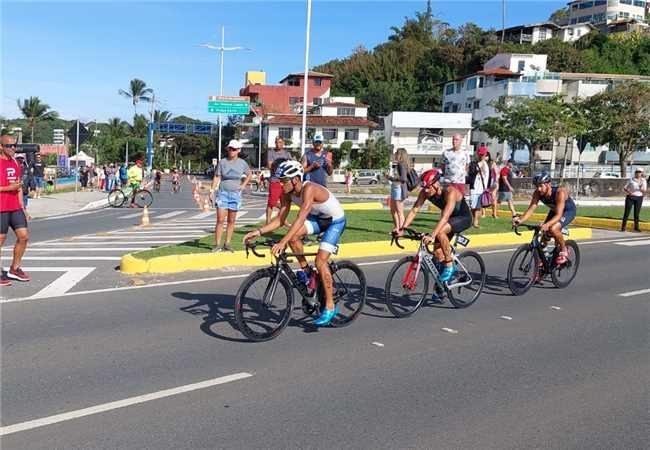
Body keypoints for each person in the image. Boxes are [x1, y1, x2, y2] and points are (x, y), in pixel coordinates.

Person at [243, 160, 346, 326]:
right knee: (293, 238)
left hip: (335, 221)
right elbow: (280, 220)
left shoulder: (309, 189)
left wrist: (282, 242)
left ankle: (329, 306)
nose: (280, 184)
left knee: (320, 261)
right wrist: (258, 231)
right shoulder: (287, 193)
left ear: (295, 180)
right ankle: (308, 272)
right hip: (319, 219)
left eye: (283, 181)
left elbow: (301, 218)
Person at [396, 168, 472, 283]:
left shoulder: (450, 192)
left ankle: (449, 266)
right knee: (437, 253)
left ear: (436, 184)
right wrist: (402, 229)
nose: (426, 190)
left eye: (428, 187)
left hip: (463, 218)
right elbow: (414, 210)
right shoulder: (425, 193)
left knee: (440, 232)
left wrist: (432, 235)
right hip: (450, 220)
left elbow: (445, 217)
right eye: (424, 187)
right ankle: (447, 283)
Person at [513, 171, 577, 266]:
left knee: (553, 228)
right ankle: (545, 261)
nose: (538, 189)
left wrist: (547, 224)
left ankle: (564, 249)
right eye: (536, 186)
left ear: (548, 184)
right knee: (543, 238)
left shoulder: (560, 192)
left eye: (540, 186)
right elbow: (531, 209)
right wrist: (520, 220)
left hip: (567, 211)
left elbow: (559, 215)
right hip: (554, 211)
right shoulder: (537, 193)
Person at [210, 140, 251, 252]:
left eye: (234, 149)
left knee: (231, 220)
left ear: (238, 150)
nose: (232, 151)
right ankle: (217, 244)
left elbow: (249, 174)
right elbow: (217, 176)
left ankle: (227, 243)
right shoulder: (222, 162)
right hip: (223, 193)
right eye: (230, 148)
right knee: (220, 219)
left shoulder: (242, 163)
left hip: (235, 194)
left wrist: (243, 185)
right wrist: (212, 190)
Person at [0, 135, 31, 285]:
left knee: (24, 236)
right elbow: (11, 187)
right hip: (1, 208)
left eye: (14, 145)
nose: (13, 148)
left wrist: (23, 208)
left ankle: (15, 268)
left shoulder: (16, 162)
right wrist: (8, 188)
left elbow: (18, 187)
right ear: (1, 147)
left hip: (15, 207)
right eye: (9, 146)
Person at [266, 136, 292, 224]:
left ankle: (283, 220)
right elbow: (270, 166)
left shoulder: (287, 154)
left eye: (280, 142)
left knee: (284, 202)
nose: (278, 144)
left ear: (283, 143)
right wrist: (279, 167)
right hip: (275, 180)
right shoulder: (271, 153)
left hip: (285, 181)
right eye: (277, 142)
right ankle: (268, 222)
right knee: (271, 202)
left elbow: (290, 165)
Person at [387, 148, 409, 231]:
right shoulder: (399, 164)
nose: (395, 154)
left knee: (399, 211)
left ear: (400, 154)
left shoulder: (401, 164)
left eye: (396, 153)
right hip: (395, 187)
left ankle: (401, 230)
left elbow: (403, 179)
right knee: (393, 210)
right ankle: (397, 227)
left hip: (398, 189)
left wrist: (390, 178)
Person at [469, 146, 490, 228]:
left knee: (478, 207)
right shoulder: (474, 164)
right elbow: (472, 172)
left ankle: (475, 222)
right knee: (472, 207)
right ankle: (470, 222)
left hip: (481, 189)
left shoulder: (486, 165)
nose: (481, 156)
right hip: (474, 189)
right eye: (480, 154)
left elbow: (488, 177)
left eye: (483, 154)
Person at [487, 153, 499, 218]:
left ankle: (494, 214)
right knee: (485, 197)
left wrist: (496, 182)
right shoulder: (484, 164)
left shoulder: (492, 165)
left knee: (494, 198)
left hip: (492, 183)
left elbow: (496, 174)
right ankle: (483, 213)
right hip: (487, 183)